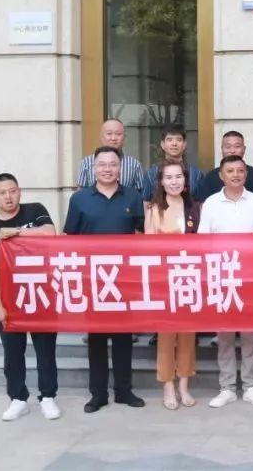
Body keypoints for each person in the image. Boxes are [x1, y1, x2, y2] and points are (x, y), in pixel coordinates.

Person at [64, 146, 146, 413]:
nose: (107, 169)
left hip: (124, 279)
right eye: (102, 164)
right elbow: (70, 239)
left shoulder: (133, 196)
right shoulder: (79, 199)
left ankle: (124, 391)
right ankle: (97, 394)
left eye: (112, 164)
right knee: (96, 339)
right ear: (94, 168)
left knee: (123, 338)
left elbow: (141, 236)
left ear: (120, 167)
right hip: (93, 279)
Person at [0, 173, 60, 421]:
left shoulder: (35, 211)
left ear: (19, 191)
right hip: (11, 300)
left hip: (42, 295)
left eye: (12, 191)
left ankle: (48, 396)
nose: (9, 197)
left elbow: (50, 232)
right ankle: (18, 398)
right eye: (2, 193)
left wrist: (16, 232)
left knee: (46, 350)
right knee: (13, 352)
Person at [199, 156, 253, 408]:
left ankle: (251, 386)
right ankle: (227, 387)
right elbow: (204, 242)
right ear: (221, 175)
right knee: (225, 335)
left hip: (250, 276)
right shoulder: (211, 203)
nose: (236, 175)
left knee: (250, 335)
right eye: (230, 171)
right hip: (222, 275)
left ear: (246, 174)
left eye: (240, 170)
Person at [144, 160, 201, 410]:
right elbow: (148, 249)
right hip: (164, 281)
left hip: (190, 280)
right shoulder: (155, 210)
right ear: (161, 182)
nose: (174, 182)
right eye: (169, 177)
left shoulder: (195, 208)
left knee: (188, 335)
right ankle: (168, 385)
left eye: (178, 177)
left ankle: (184, 386)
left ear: (185, 180)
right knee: (166, 336)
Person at [195, 131, 253, 202]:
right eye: (228, 147)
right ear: (222, 149)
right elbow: (205, 204)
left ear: (244, 149)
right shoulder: (211, 176)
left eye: (237, 146)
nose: (232, 151)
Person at [141, 124, 204, 205]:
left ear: (184, 145)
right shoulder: (151, 174)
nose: (174, 143)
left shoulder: (196, 174)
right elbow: (146, 202)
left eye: (178, 140)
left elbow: (201, 204)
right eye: (169, 140)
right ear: (162, 144)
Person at [75, 118, 144, 191]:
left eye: (118, 134)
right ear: (101, 137)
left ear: (124, 138)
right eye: (109, 133)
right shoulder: (86, 163)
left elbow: (140, 193)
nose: (113, 138)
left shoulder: (134, 165)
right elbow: (80, 192)